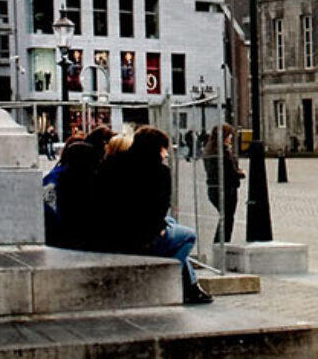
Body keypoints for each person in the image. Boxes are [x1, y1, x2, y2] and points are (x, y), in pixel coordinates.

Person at [96, 126, 209, 304]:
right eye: (164, 149)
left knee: (171, 223)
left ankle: (192, 286)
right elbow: (159, 209)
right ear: (157, 148)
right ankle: (165, 279)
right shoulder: (160, 171)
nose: (165, 154)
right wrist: (159, 230)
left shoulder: (111, 164)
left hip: (110, 236)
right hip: (141, 239)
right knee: (188, 236)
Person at [203, 124, 243, 244]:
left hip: (213, 188)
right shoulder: (223, 153)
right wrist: (240, 174)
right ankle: (222, 243)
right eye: (229, 136)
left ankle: (220, 243)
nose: (230, 138)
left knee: (224, 218)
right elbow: (230, 172)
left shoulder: (209, 151)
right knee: (227, 219)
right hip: (227, 189)